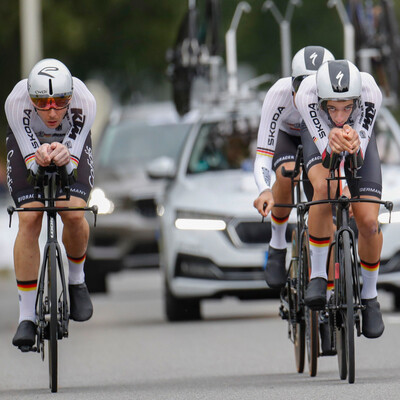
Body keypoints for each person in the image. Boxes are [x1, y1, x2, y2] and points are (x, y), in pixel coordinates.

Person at [5, 58, 96, 349]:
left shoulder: (85, 102)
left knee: (72, 210)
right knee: (30, 219)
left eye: (60, 102)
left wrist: (65, 157)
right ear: (31, 98)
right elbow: (32, 165)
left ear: (71, 96)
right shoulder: (16, 102)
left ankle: (76, 280)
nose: (53, 111)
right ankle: (26, 317)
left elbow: (71, 165)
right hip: (28, 147)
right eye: (42, 104)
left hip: (70, 147)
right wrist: (38, 156)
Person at [295, 59, 385, 338]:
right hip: (319, 138)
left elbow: (360, 147)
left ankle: (370, 297)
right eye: (331, 107)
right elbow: (327, 151)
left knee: (369, 223)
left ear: (357, 99)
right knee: (323, 188)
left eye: (347, 107)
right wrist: (332, 138)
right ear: (322, 101)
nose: (339, 114)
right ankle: (319, 275)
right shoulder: (306, 94)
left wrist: (353, 139)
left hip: (359, 141)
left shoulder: (371, 91)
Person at [253, 46, 334, 289]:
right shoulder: (278, 93)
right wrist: (264, 189)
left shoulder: (335, 99)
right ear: (291, 83)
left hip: (318, 140)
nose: (307, 92)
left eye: (316, 85)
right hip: (287, 137)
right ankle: (277, 243)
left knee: (326, 200)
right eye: (301, 84)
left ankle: (328, 293)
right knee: (287, 174)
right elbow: (263, 155)